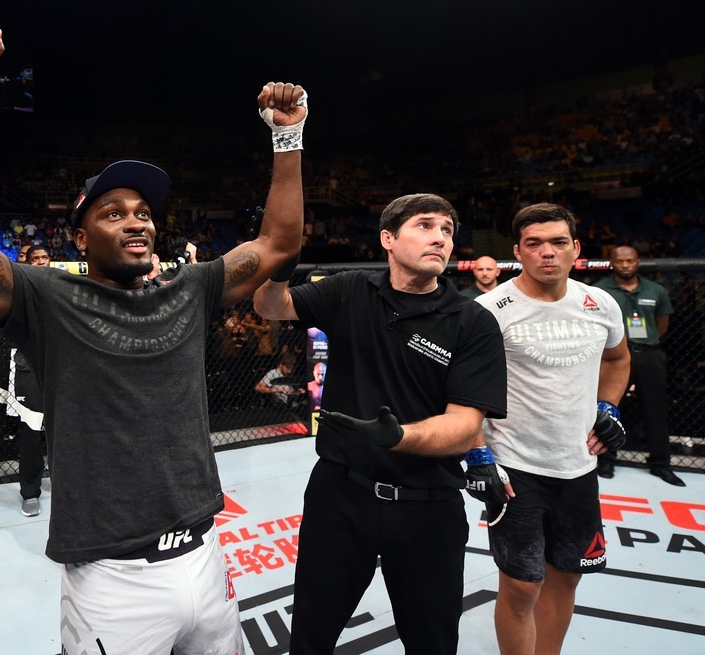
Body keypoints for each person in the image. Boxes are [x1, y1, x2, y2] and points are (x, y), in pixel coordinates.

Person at [0, 10, 305, 651]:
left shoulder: (189, 289)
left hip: (206, 553)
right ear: (79, 237)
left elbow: (279, 242)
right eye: (113, 213)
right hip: (113, 578)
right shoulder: (44, 296)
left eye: (144, 212)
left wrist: (288, 138)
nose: (137, 222)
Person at [253, 193, 508, 653]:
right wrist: (279, 269)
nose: (440, 238)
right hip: (340, 495)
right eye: (425, 226)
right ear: (387, 239)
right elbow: (272, 307)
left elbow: (466, 425)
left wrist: (397, 437)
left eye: (448, 230)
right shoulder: (350, 289)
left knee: (431, 641)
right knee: (311, 632)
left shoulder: (473, 322)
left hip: (428, 505)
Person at [474, 203, 629, 655]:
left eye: (559, 242)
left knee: (567, 575)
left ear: (575, 249)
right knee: (522, 586)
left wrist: (609, 407)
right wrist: (476, 452)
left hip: (578, 465)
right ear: (518, 251)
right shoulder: (490, 310)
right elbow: (460, 391)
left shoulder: (600, 303)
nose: (548, 253)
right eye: (535, 244)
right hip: (515, 467)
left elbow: (618, 360)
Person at [0, 246, 50, 518]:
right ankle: (30, 492)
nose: (40, 262)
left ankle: (68, 484)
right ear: (26, 262)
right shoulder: (16, 288)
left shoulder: (60, 286)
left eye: (44, 258)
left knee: (65, 430)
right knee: (30, 428)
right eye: (35, 259)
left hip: (59, 364)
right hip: (26, 363)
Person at [593, 245, 683, 485]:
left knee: (656, 410)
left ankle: (660, 464)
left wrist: (644, 342)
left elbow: (662, 325)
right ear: (611, 262)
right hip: (612, 356)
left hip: (648, 354)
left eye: (630, 261)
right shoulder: (600, 290)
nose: (625, 265)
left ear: (638, 262)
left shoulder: (655, 290)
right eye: (620, 261)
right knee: (607, 407)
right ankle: (606, 460)